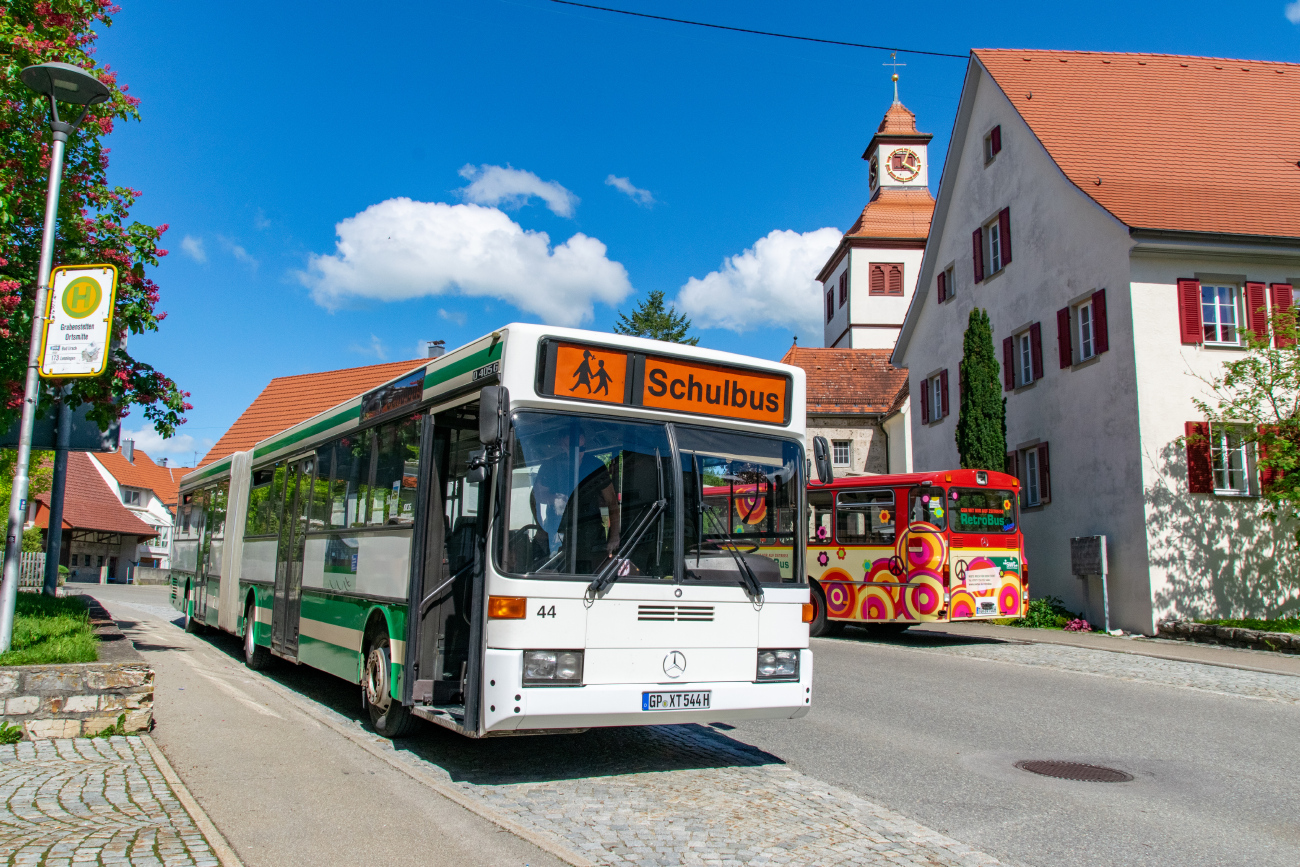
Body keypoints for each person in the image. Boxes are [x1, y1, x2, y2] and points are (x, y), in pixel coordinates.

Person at [531, 424, 621, 573]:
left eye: (582, 448)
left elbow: (611, 501)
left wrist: (614, 536)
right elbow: (535, 497)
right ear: (561, 446)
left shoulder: (595, 466)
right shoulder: (550, 465)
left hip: (589, 532)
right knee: (554, 571)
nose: (578, 453)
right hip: (557, 529)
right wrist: (552, 502)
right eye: (571, 449)